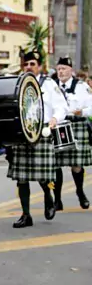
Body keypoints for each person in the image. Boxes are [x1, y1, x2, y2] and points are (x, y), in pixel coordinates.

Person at [8, 51, 67, 228]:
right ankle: (26, 215)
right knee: (21, 177)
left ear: (39, 66)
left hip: (42, 132)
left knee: (41, 174)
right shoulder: (17, 83)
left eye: (32, 64)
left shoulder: (48, 84)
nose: (29, 67)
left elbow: (61, 105)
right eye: (26, 64)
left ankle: (48, 197)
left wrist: (56, 119)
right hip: (22, 134)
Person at [53, 56, 92, 210]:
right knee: (55, 164)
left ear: (71, 71)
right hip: (58, 126)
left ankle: (80, 192)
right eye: (59, 69)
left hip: (76, 125)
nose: (61, 72)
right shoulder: (51, 86)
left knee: (76, 164)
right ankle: (57, 200)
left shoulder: (82, 87)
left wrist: (80, 112)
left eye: (64, 69)